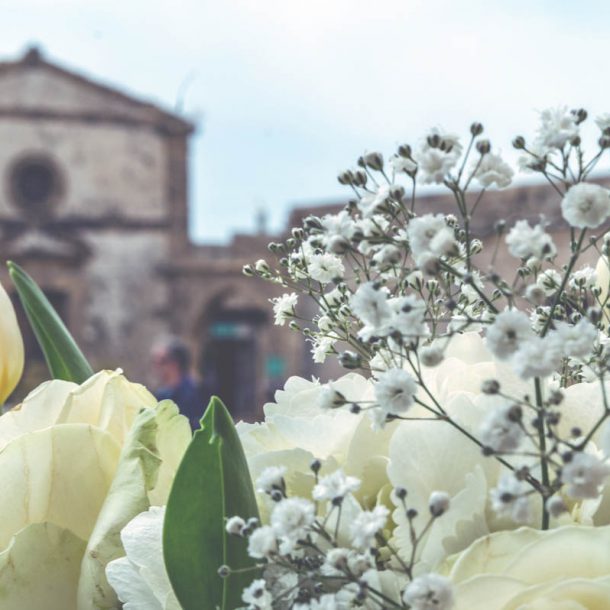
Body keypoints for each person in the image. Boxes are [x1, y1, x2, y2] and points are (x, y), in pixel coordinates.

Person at [152, 338, 207, 429]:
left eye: (162, 361)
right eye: (155, 361)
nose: (156, 366)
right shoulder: (161, 395)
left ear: (175, 364)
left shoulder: (197, 393)